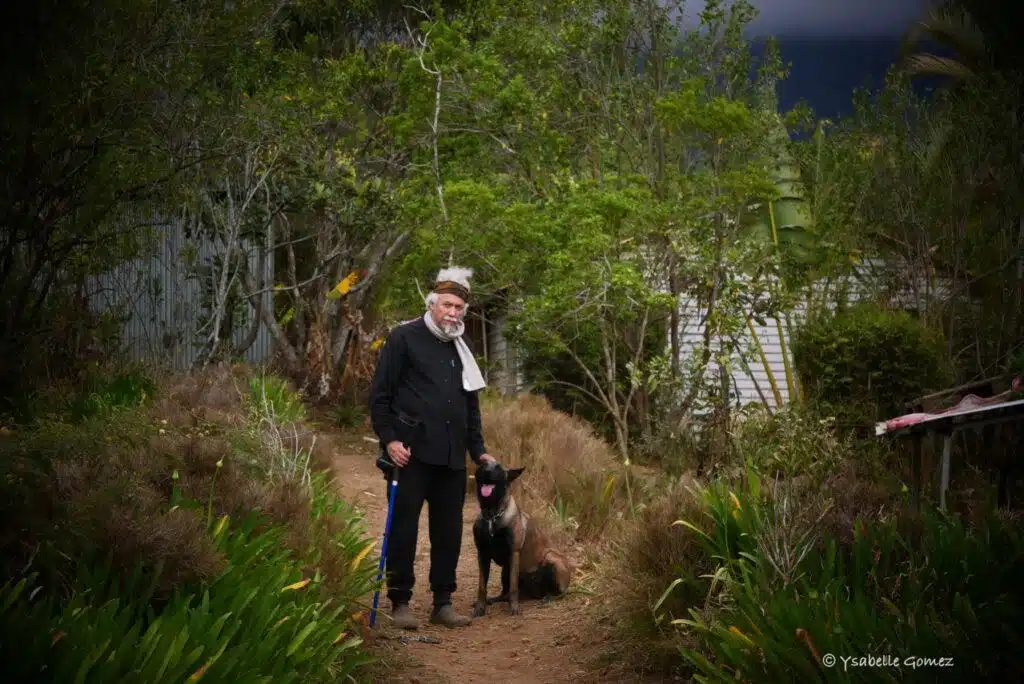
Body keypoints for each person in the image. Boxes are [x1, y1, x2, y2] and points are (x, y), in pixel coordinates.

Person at [368, 266, 496, 630]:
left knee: (448, 533)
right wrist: (390, 440)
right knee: (403, 530)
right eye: (447, 305)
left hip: (452, 456)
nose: (452, 313)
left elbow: (470, 404)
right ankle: (400, 602)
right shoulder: (403, 338)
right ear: (432, 304)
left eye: (459, 308)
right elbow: (379, 397)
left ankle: (443, 603)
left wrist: (478, 450)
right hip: (409, 455)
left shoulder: (462, 346)